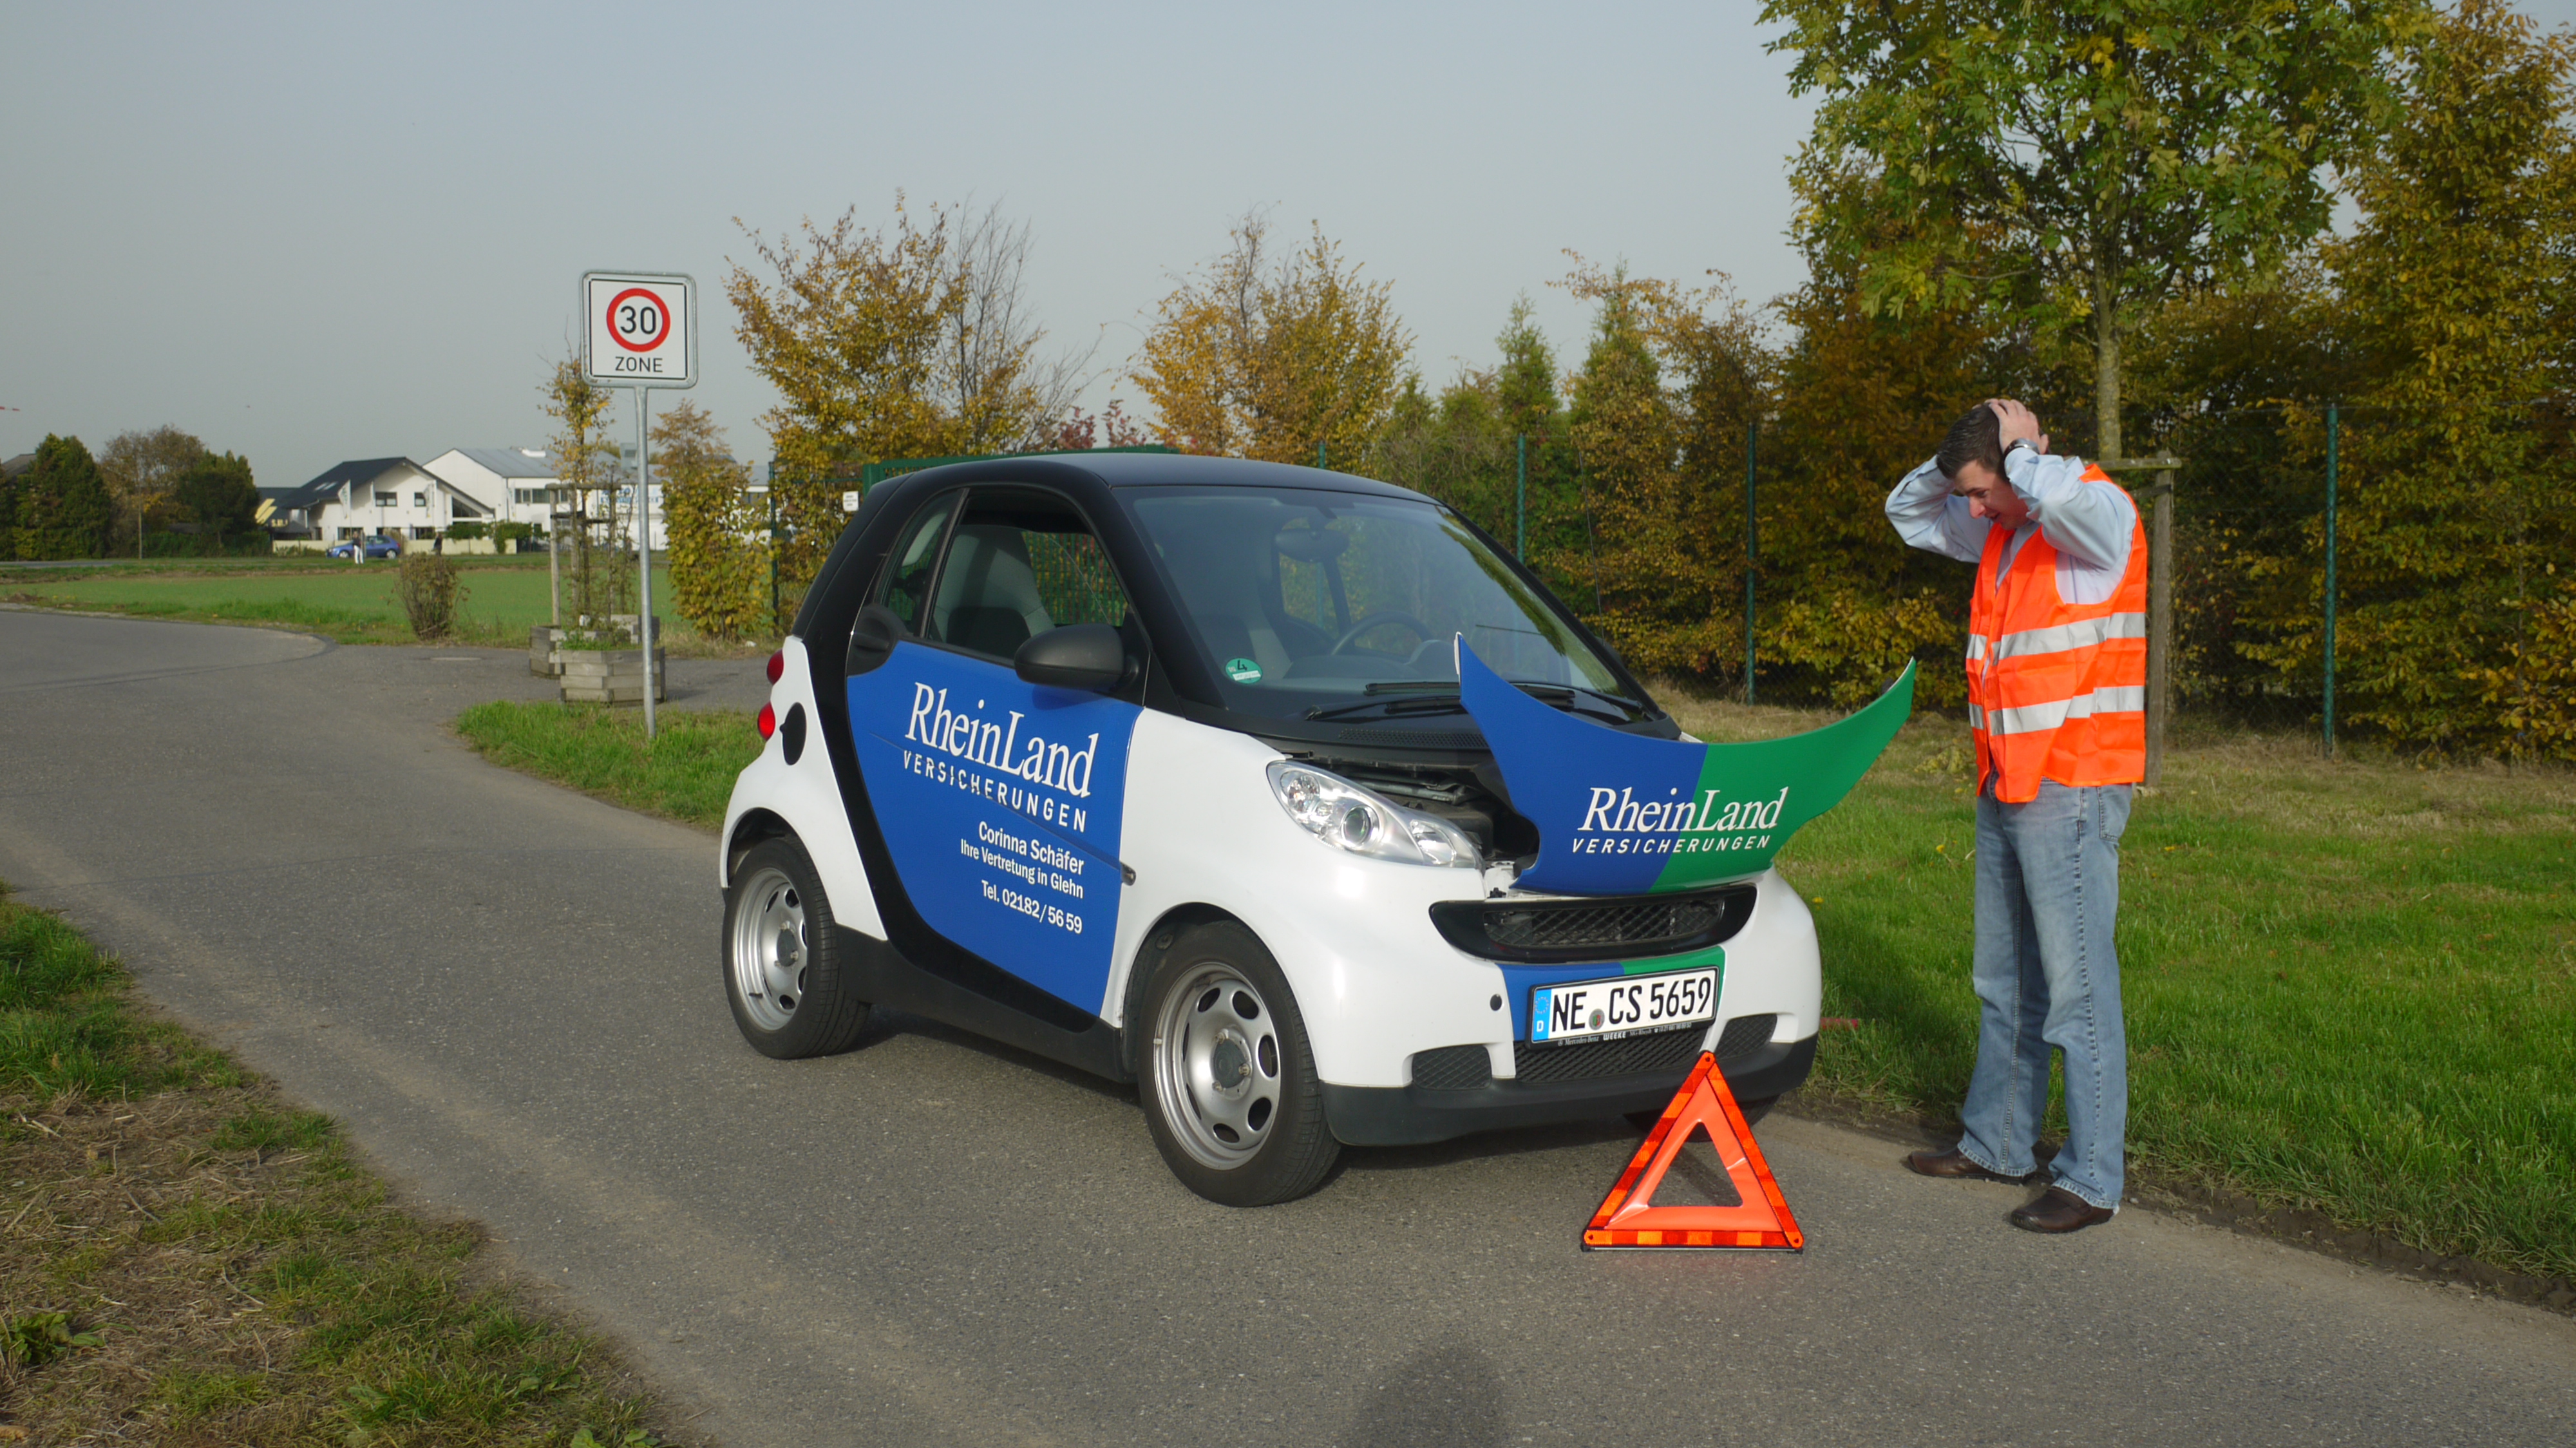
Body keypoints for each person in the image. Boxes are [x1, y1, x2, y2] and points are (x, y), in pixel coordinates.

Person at [1884, 398, 2145, 1234]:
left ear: (2024, 467)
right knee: (2004, 984)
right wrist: (1962, 463)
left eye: (1983, 492)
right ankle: (1999, 1143)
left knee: (2076, 991)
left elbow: (2059, 501)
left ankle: (2093, 1179)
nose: (1971, 510)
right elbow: (1905, 512)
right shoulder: (2000, 528)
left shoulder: (2097, 510)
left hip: (2071, 786)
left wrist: (2022, 458)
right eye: (1968, 495)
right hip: (2006, 781)